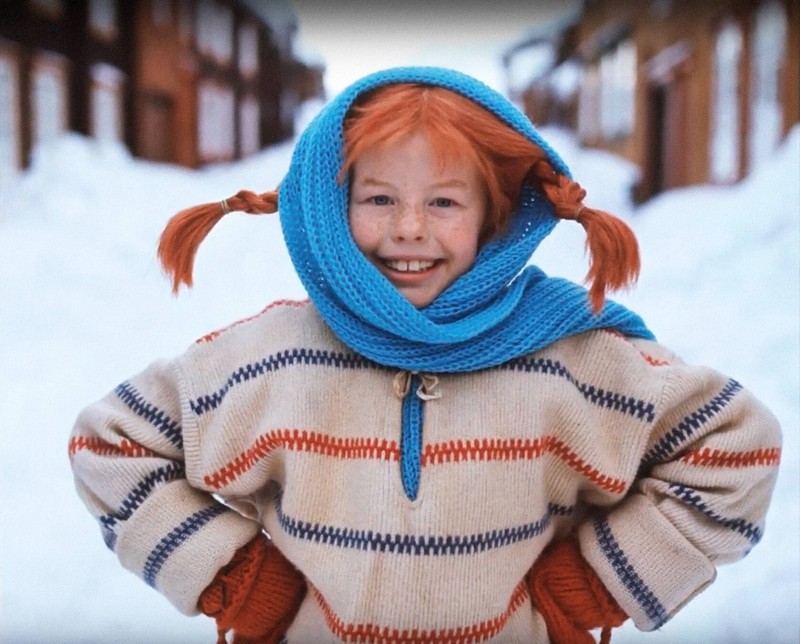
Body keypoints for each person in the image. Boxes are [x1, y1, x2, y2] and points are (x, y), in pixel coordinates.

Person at [68, 67, 781, 644]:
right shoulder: (271, 359)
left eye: (444, 203)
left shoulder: (573, 360)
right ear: (331, 206)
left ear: (496, 215)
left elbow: (734, 448)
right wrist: (236, 581)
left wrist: (596, 586)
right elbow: (110, 443)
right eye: (379, 198)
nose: (410, 229)